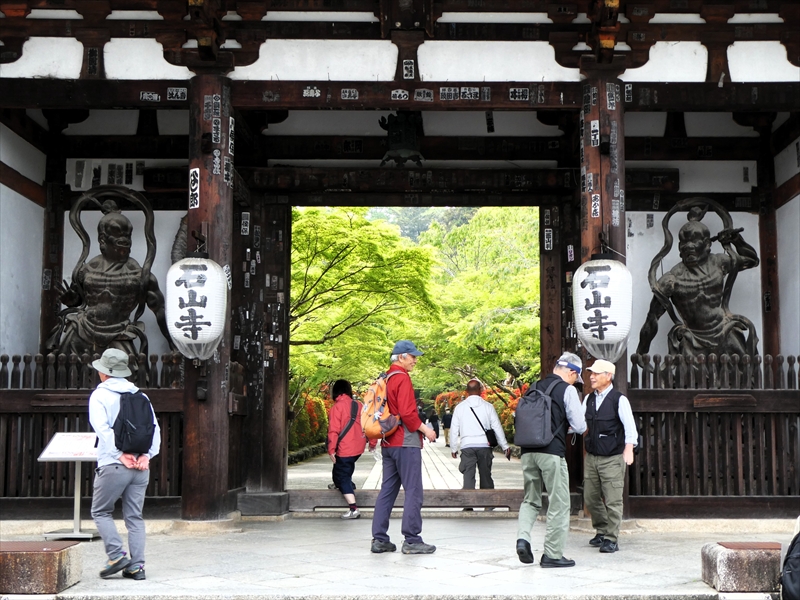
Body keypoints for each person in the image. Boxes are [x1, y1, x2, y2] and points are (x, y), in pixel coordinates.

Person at [48, 200, 172, 358]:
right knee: (68, 374)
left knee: (127, 375)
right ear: (102, 239)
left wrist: (172, 342)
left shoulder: (139, 275)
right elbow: (80, 299)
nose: (125, 240)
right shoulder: (87, 269)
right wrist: (72, 301)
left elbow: (159, 311)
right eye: (118, 235)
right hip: (82, 330)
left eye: (127, 236)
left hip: (119, 333)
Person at [636, 210, 759, 362]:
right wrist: (641, 351)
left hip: (724, 330)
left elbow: (752, 260)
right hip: (692, 337)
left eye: (694, 241)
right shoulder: (671, 280)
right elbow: (652, 318)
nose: (688, 246)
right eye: (684, 242)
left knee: (742, 374)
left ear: (707, 244)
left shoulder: (719, 263)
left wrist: (736, 240)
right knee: (690, 381)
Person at [89, 348, 160, 580]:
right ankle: (137, 566)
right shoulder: (141, 395)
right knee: (134, 517)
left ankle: (117, 555)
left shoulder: (100, 396)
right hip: (141, 468)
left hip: (114, 465)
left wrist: (120, 455)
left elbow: (103, 429)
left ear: (105, 373)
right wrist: (146, 456)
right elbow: (154, 429)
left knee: (100, 511)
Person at [515, 353, 587, 568]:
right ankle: (552, 554)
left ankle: (523, 538)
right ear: (572, 372)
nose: (575, 382)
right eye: (576, 377)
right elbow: (580, 426)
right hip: (551, 452)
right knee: (559, 502)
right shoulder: (568, 390)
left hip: (527, 451)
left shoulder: (533, 387)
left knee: (530, 499)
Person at [371, 340, 437, 555]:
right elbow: (409, 414)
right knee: (413, 491)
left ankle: (379, 539)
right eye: (413, 356)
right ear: (401, 357)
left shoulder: (385, 378)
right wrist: (426, 430)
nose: (415, 360)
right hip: (405, 442)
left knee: (387, 491)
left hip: (388, 442)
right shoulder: (402, 378)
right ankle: (412, 539)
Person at [582, 359, 638, 554]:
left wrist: (629, 449)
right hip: (592, 457)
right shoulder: (588, 399)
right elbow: (580, 424)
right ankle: (602, 530)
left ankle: (611, 538)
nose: (592, 376)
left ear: (608, 376)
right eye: (591, 373)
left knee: (613, 500)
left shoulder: (619, 399)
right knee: (590, 497)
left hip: (613, 457)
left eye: (597, 373)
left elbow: (630, 427)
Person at [450, 379, 511, 506]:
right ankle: (488, 504)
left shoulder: (460, 408)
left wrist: (453, 448)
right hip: (485, 445)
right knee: (485, 475)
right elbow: (497, 427)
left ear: (466, 391)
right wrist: (505, 446)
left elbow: (454, 429)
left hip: (467, 446)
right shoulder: (488, 407)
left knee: (468, 475)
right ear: (481, 390)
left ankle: (468, 504)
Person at [326, 379, 372, 520]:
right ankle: (345, 484)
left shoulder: (337, 407)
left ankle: (353, 508)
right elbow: (369, 424)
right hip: (358, 447)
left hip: (345, 447)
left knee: (342, 475)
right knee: (342, 468)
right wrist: (372, 442)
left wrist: (331, 449)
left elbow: (334, 431)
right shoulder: (359, 405)